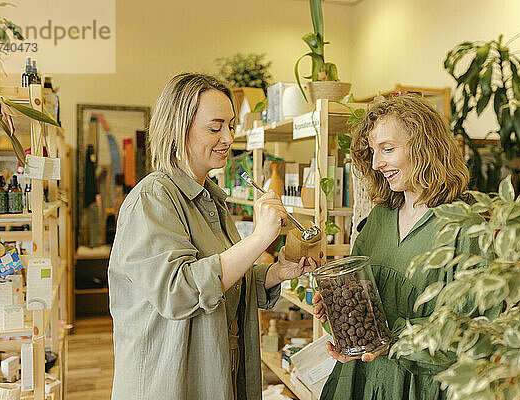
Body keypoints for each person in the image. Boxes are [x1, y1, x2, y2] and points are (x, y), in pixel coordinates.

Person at [108, 72, 316, 400]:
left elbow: (225, 280)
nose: (228, 138)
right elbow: (179, 291)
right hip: (169, 382)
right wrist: (258, 238)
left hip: (217, 371)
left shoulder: (211, 199)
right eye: (215, 127)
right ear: (179, 130)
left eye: (231, 126)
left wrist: (277, 272)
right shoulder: (152, 200)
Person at [313, 93, 470, 399]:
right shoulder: (378, 220)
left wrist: (395, 340)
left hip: (420, 387)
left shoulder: (464, 227)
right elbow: (363, 306)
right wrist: (339, 312)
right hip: (360, 380)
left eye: (387, 149)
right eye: (372, 151)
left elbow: (471, 330)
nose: (376, 163)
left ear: (425, 148)